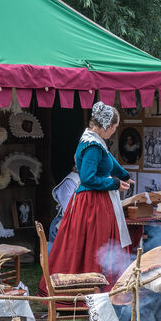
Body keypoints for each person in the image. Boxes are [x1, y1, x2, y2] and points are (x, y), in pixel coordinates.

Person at [39, 102, 133, 295]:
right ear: (106, 126)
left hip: (97, 201)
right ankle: (91, 291)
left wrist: (123, 175)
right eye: (114, 128)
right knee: (95, 244)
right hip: (92, 203)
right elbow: (88, 178)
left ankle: (107, 287)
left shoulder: (96, 141)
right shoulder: (91, 145)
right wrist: (114, 183)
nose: (114, 132)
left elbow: (108, 161)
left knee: (99, 243)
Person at [48, 166, 80, 247]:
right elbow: (70, 212)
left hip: (80, 225)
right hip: (65, 224)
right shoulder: (70, 182)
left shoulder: (90, 180)